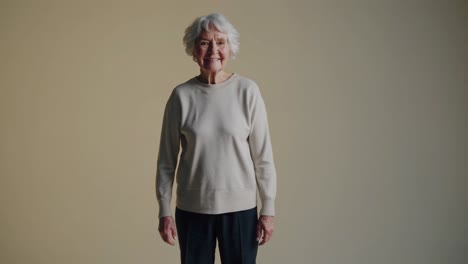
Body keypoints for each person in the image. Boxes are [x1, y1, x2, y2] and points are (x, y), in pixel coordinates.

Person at [155, 13, 277, 264]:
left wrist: (268, 208)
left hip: (241, 212)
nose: (213, 50)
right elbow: (166, 161)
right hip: (192, 211)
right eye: (204, 42)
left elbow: (263, 157)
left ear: (230, 48)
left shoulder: (248, 91)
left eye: (220, 42)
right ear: (193, 49)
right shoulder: (181, 96)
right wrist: (164, 210)